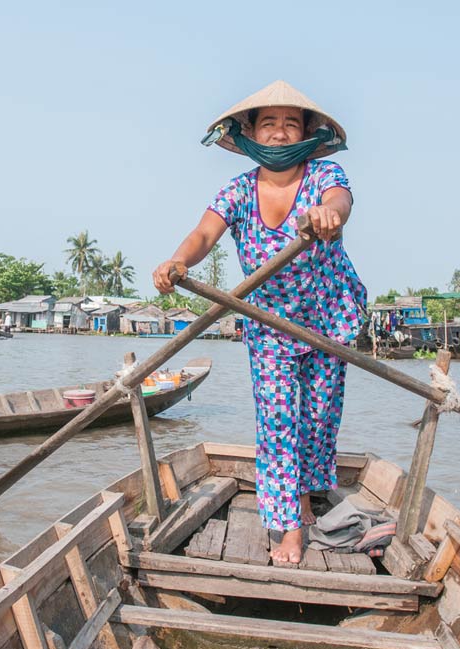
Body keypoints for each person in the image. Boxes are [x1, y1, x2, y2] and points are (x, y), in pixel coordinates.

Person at [153, 81, 366, 563]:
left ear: (307, 133)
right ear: (249, 132)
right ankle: (287, 523)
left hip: (328, 319)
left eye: (290, 123)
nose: (279, 133)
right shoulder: (239, 190)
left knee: (318, 417)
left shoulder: (324, 175)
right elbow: (204, 233)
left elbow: (340, 203)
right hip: (268, 323)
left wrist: (328, 216)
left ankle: (307, 495)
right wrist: (177, 262)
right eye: (268, 123)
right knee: (276, 421)